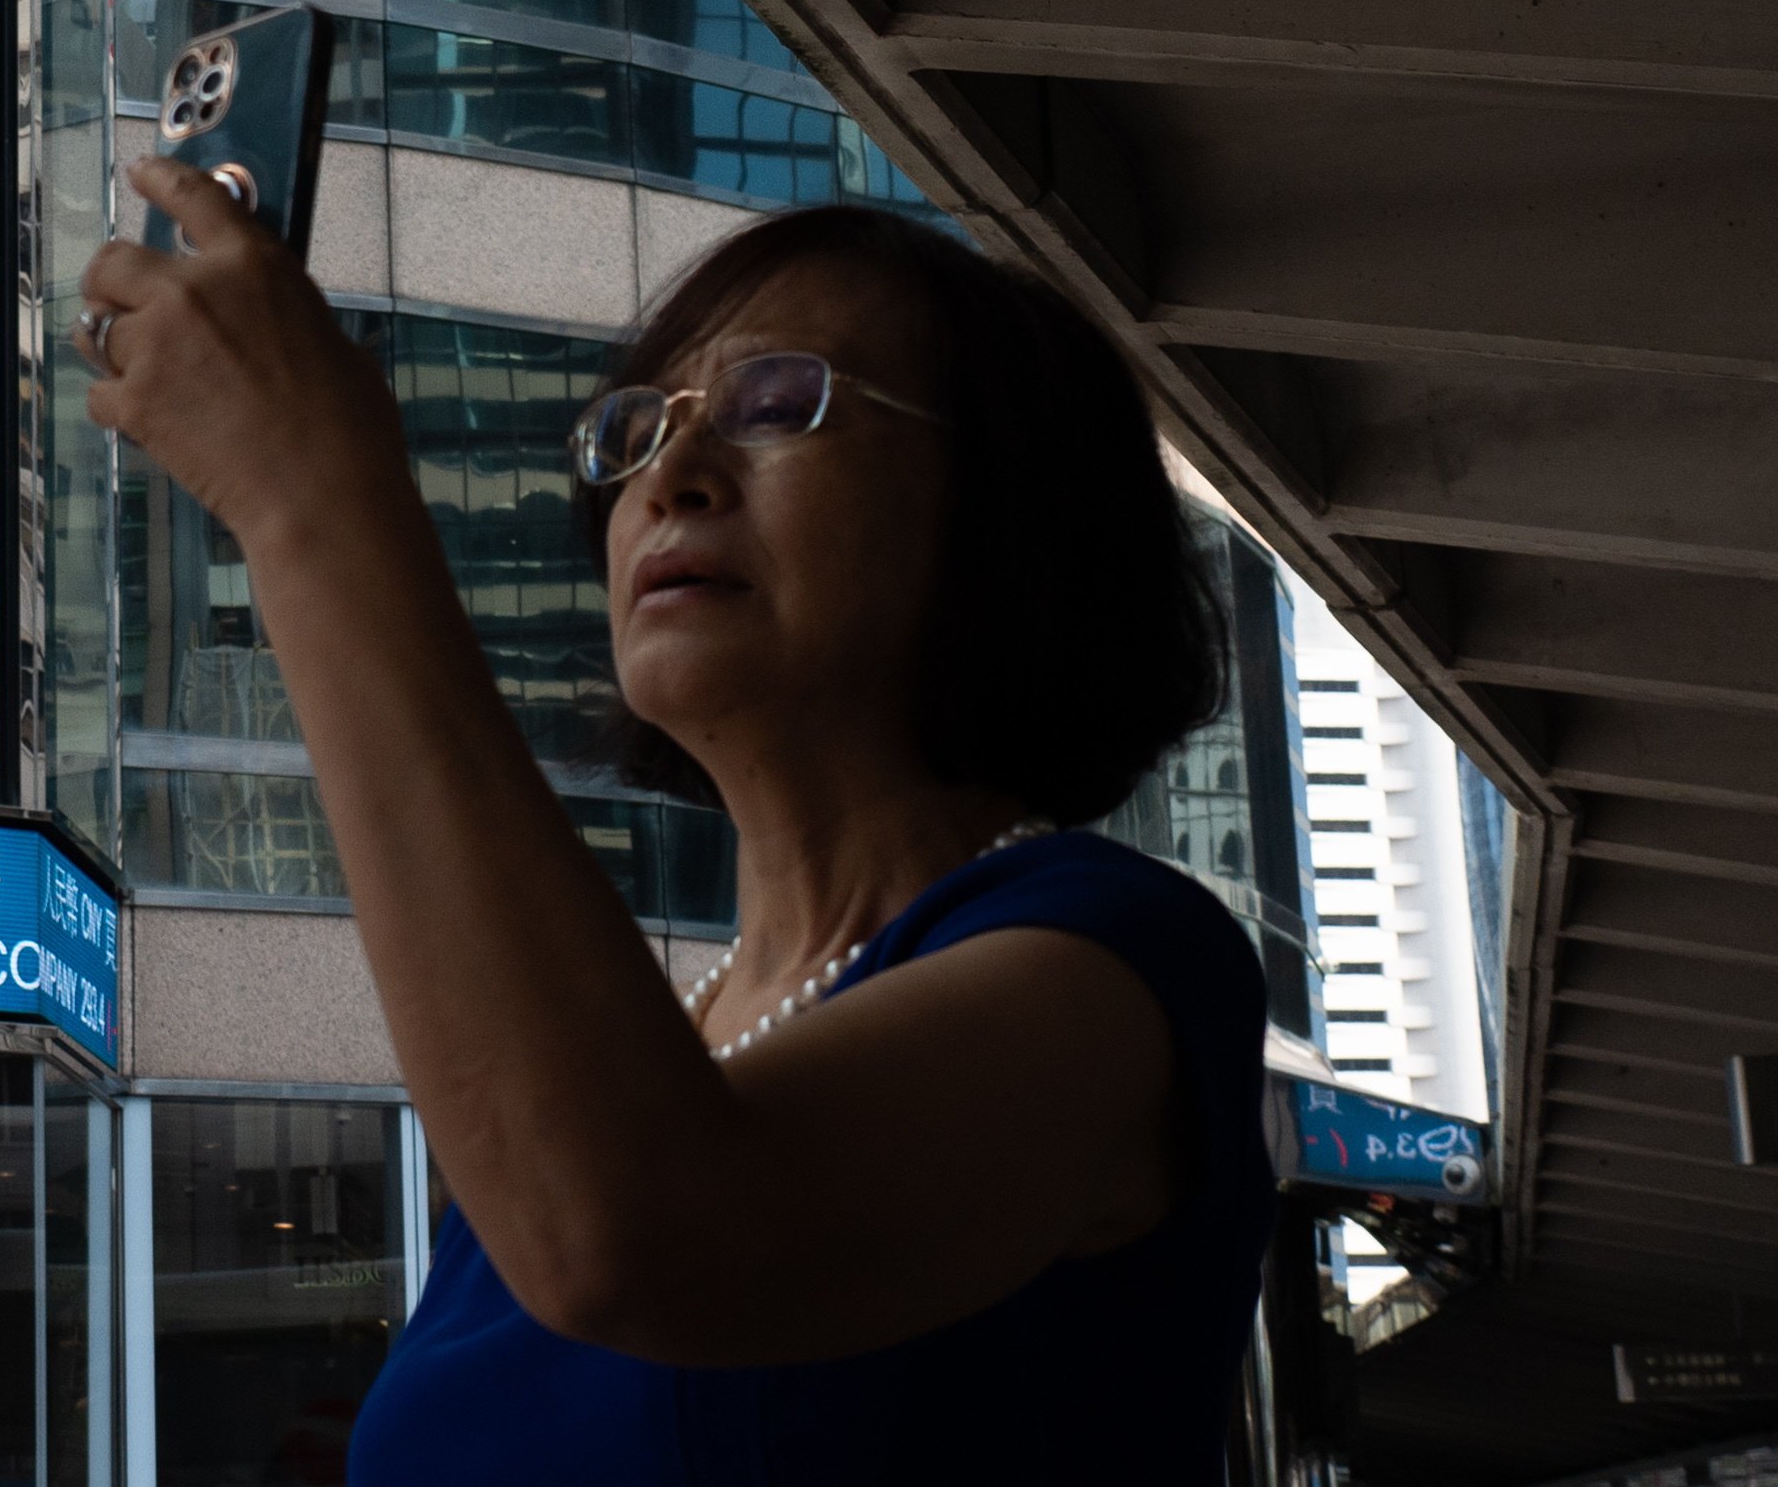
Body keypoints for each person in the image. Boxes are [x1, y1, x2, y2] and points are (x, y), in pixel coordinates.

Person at [78, 177, 1276, 1482]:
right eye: (636, 431)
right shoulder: (623, 1064)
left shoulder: (1118, 963)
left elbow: (636, 1236)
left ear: (1010, 508)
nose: (673, 476)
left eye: (777, 405)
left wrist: (306, 496)